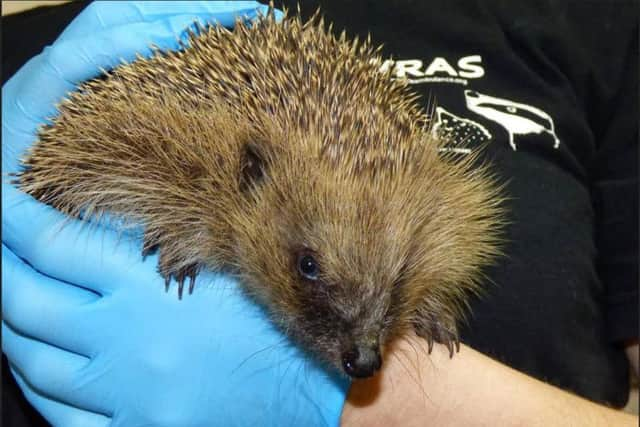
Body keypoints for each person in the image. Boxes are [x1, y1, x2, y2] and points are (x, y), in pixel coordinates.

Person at [2, 1, 637, 426]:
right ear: (245, 180)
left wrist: (386, 408)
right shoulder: (89, 37)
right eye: (309, 268)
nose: (366, 355)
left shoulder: (590, 23)